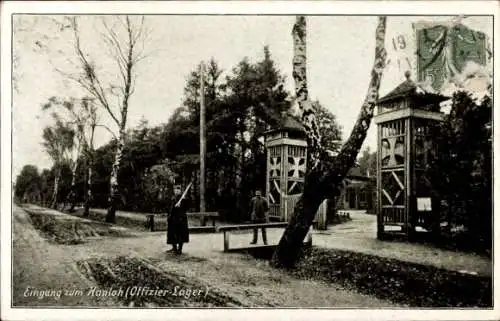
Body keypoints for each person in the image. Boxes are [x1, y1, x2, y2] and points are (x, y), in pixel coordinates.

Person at [166, 184, 189, 254]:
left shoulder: (184, 199)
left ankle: (180, 249)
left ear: (180, 191)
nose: (176, 191)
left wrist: (182, 204)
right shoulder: (173, 198)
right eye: (175, 190)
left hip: (180, 219)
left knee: (180, 234)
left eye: (178, 190)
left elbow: (186, 208)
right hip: (172, 219)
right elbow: (170, 208)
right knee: (172, 234)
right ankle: (174, 248)